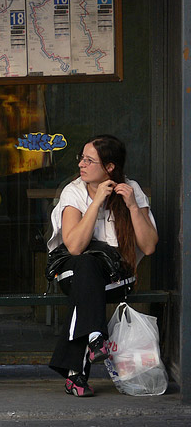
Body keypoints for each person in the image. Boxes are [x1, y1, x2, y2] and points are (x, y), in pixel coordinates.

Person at [47, 134, 158, 397]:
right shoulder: (74, 191)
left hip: (117, 277)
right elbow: (74, 246)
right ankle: (95, 337)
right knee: (85, 263)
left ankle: (79, 368)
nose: (81, 165)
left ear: (109, 167)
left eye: (89, 160)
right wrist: (95, 203)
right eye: (81, 159)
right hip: (71, 273)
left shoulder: (131, 189)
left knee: (85, 293)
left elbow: (149, 246)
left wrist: (132, 206)